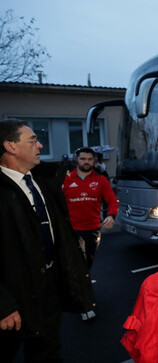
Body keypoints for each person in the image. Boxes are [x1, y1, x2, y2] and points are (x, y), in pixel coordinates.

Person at [0, 119, 95, 362]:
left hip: (48, 286)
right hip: (14, 294)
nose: (40, 145)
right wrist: (3, 304)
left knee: (47, 350)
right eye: (32, 140)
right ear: (10, 146)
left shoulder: (43, 181)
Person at [62, 147, 118, 319]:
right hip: (72, 230)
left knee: (86, 265)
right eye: (83, 159)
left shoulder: (101, 180)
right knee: (80, 267)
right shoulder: (66, 179)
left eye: (89, 159)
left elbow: (112, 201)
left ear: (93, 161)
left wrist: (111, 215)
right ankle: (85, 305)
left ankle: (77, 291)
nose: (86, 162)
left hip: (93, 230)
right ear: (76, 160)